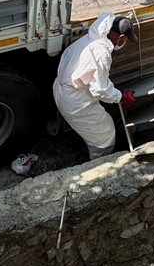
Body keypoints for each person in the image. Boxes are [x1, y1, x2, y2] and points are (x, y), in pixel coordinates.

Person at [53, 13, 137, 159]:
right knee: (104, 135)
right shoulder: (100, 53)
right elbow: (100, 88)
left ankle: (88, 143)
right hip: (76, 102)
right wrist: (121, 97)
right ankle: (98, 162)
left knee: (92, 128)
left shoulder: (90, 39)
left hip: (64, 91)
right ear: (121, 38)